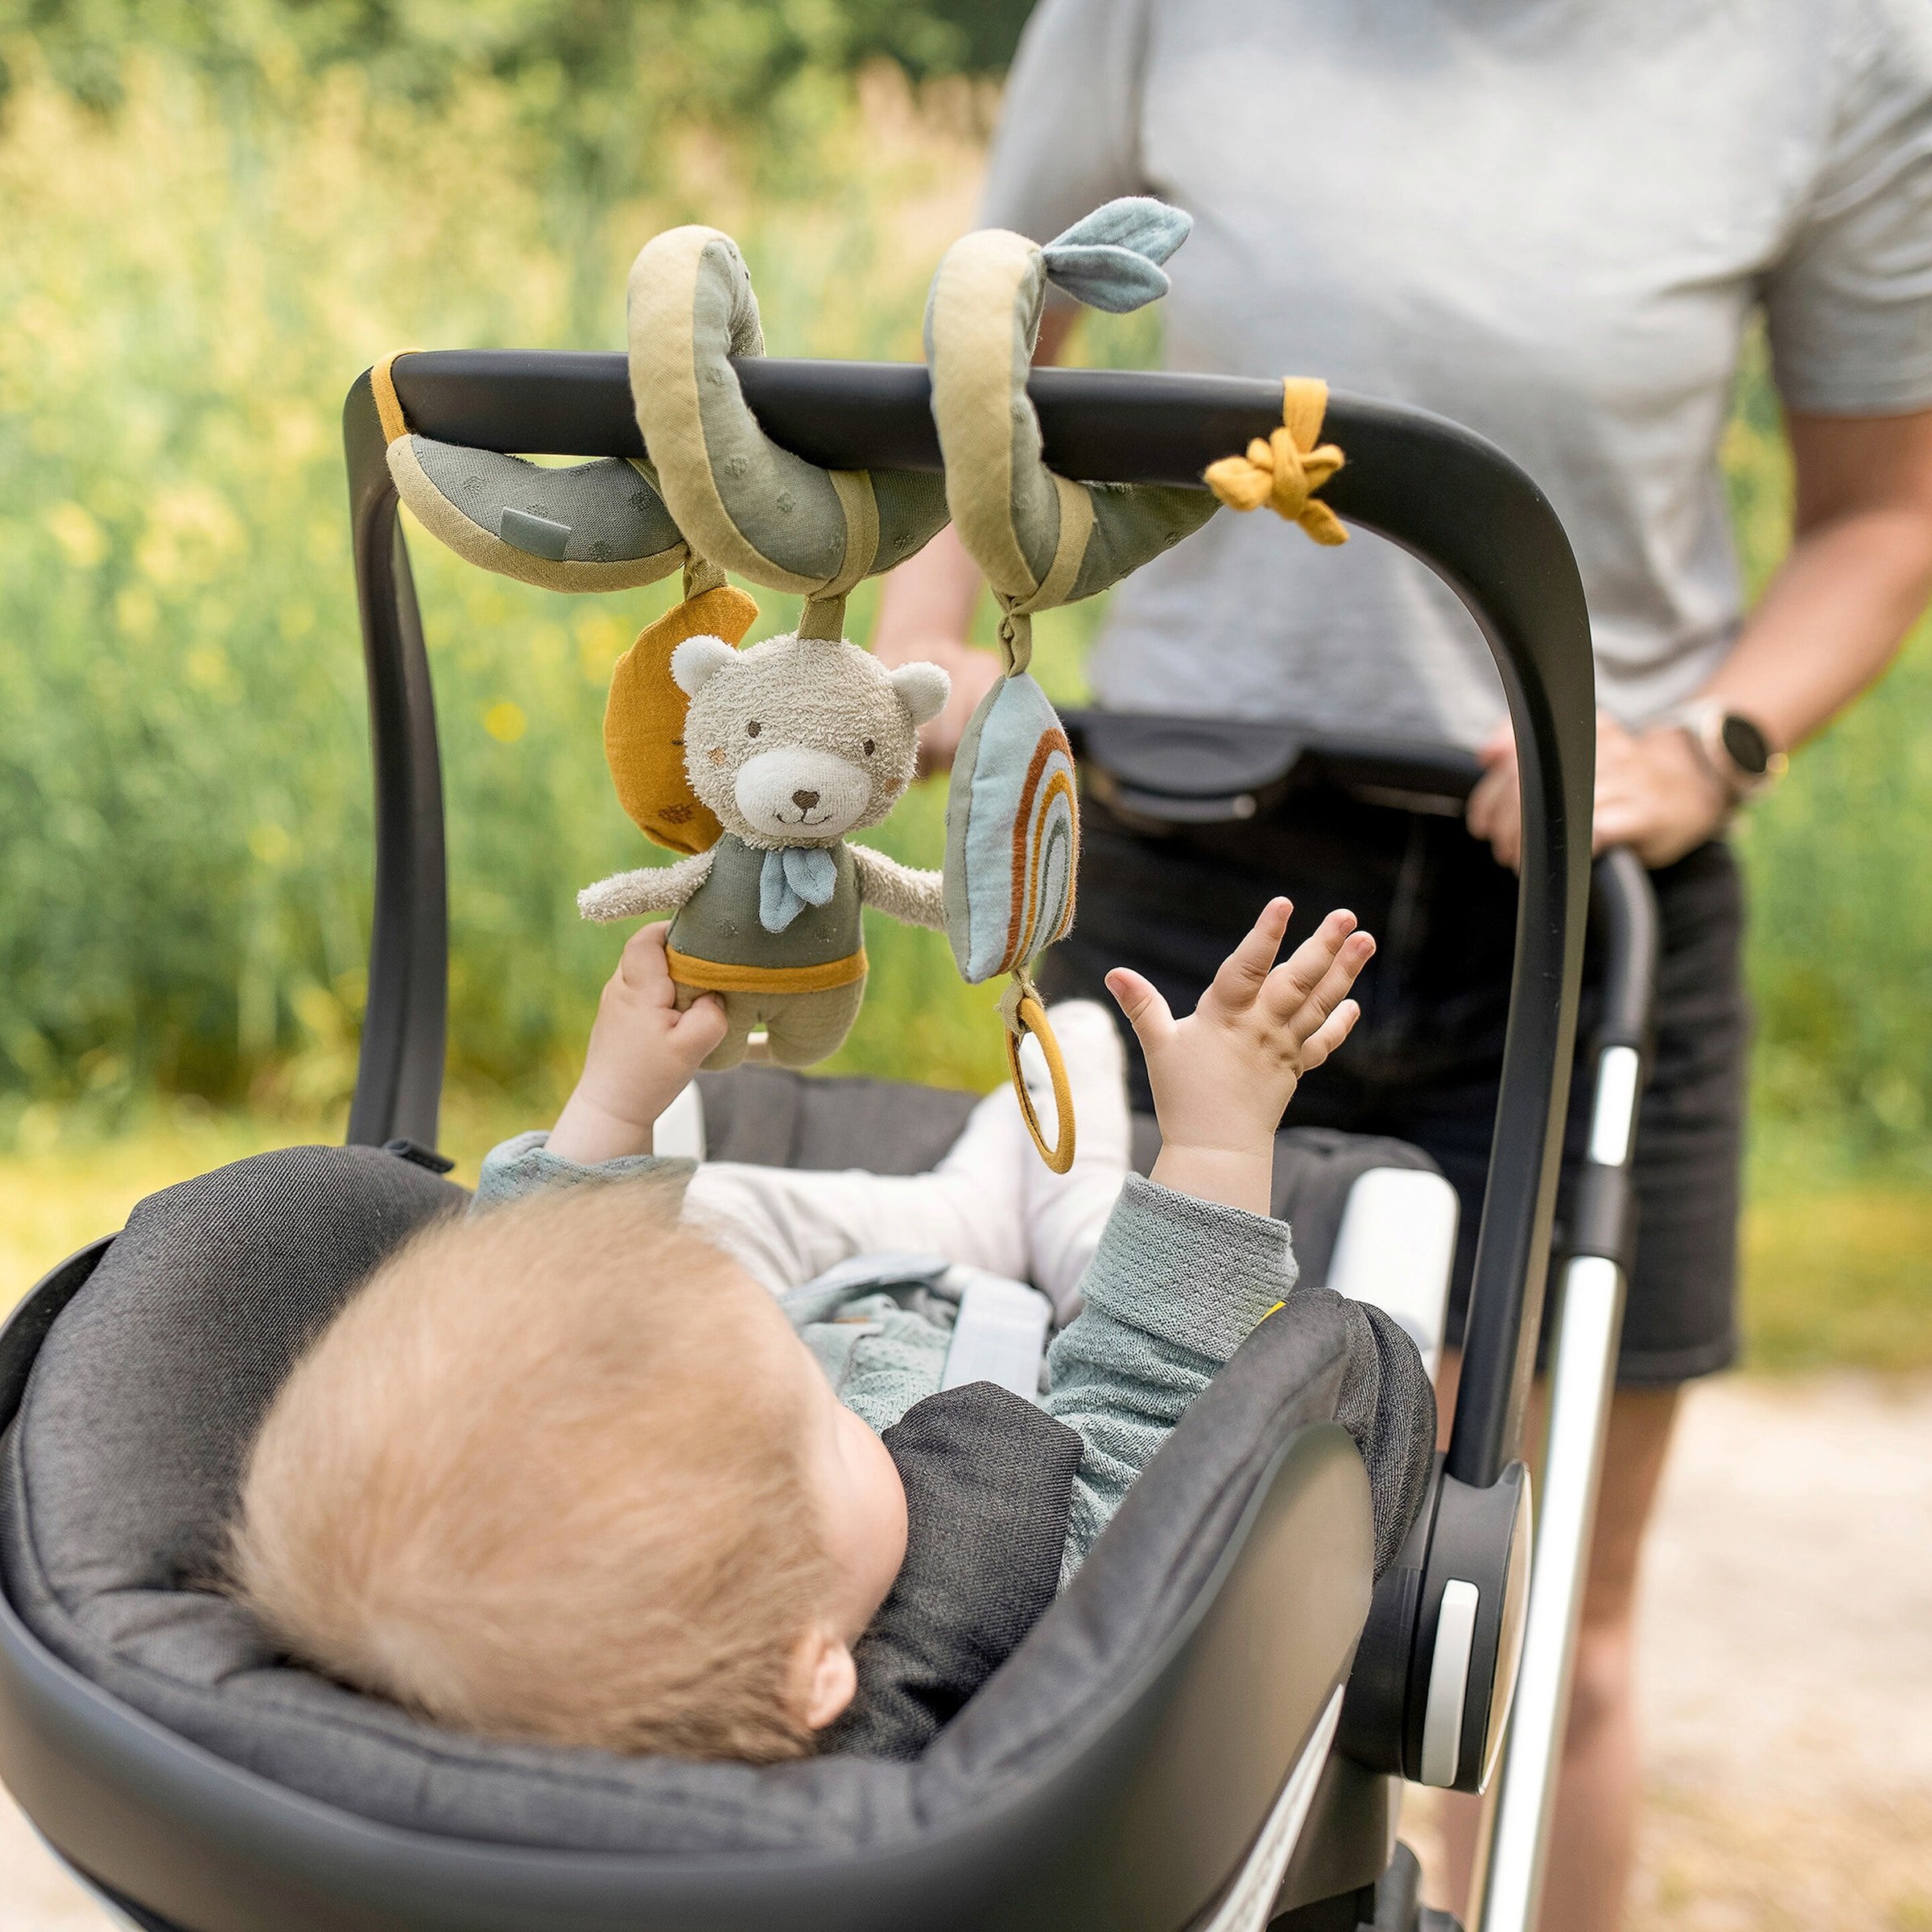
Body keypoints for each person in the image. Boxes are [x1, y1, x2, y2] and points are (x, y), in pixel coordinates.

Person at [870, 5, 1932, 1925]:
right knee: (1082, 1535)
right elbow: (991, 348)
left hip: (1579, 891)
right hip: (1190, 880)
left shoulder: (1837, 47)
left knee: (1511, 1617)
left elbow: (1886, 517)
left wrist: (1712, 744)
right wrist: (934, 625)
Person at [227, 904, 1377, 1763]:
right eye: (832, 1425)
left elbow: (519, 1289)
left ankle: (963, 1212)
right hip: (1044, 1331)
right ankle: (1015, 1216)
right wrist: (1220, 1135)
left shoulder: (690, 1604)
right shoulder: (1011, 1602)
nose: (842, 1408)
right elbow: (1145, 1399)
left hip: (844, 1277)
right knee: (1081, 1118)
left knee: (685, 1247)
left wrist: (616, 1103)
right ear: (812, 1673)